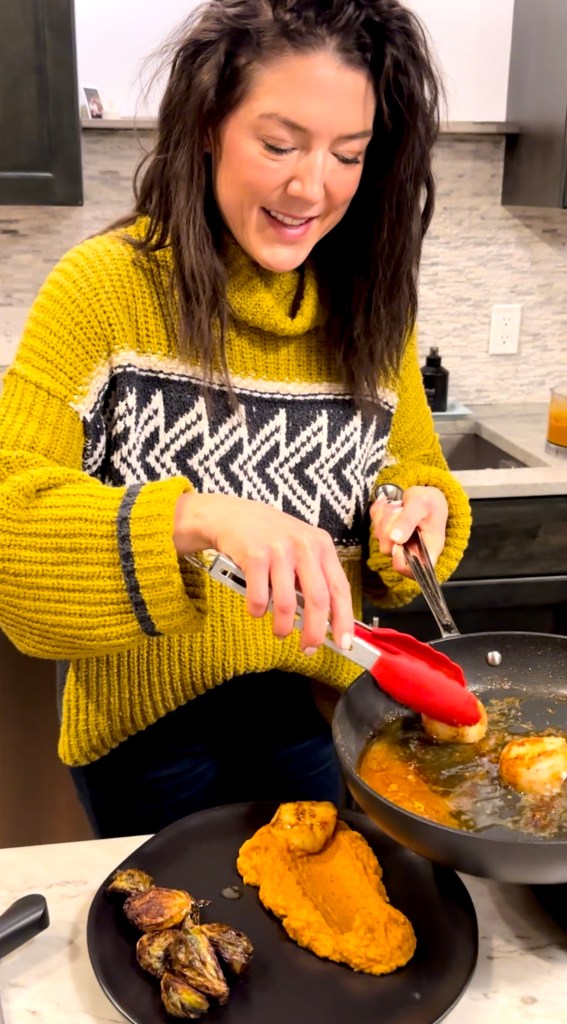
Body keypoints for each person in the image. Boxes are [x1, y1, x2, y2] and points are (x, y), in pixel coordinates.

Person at [0, 0, 471, 838]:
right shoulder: (100, 291)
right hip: (144, 735)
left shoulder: (371, 308)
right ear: (211, 126)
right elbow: (12, 536)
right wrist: (196, 518)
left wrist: (419, 514)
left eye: (348, 155)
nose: (311, 187)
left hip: (318, 710)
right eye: (279, 145)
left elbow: (407, 469)